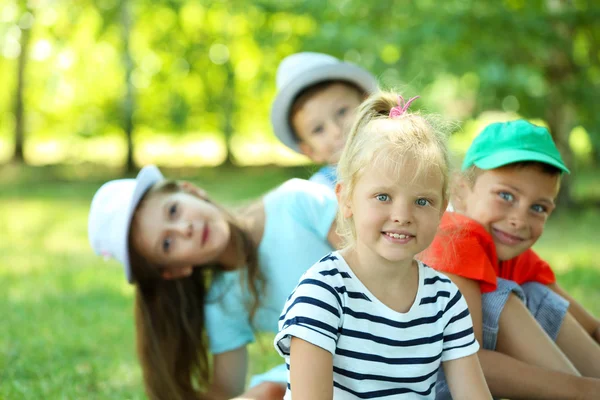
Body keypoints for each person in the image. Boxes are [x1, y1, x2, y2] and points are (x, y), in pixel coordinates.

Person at [273, 92, 492, 399]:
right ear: (346, 199)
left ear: (443, 209)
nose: (402, 216)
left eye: (422, 201)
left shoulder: (445, 299)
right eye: (383, 197)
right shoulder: (323, 292)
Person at [88, 166, 343, 400]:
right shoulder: (223, 302)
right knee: (265, 393)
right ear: (175, 270)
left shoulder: (295, 202)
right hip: (331, 373)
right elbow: (225, 390)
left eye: (174, 210)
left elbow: (372, 263)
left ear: (191, 190)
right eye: (167, 243)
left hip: (376, 339)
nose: (184, 229)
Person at [419, 120, 600, 399]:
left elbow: (591, 327)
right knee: (495, 298)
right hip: (422, 380)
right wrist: (580, 390)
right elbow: (466, 359)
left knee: (536, 294)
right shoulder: (455, 235)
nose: (519, 220)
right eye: (506, 196)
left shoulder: (511, 252)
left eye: (538, 208)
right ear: (460, 190)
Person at [271, 52, 378, 189]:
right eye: (318, 129)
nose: (336, 131)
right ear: (310, 151)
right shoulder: (321, 191)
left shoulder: (404, 155)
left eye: (342, 111)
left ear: (368, 104)